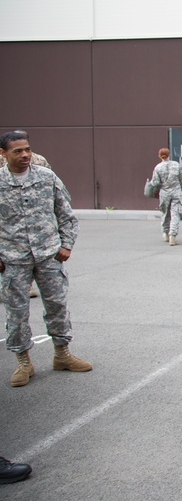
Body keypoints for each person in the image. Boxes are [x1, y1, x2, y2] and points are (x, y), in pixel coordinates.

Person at [0, 131, 92, 388]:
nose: (25, 155)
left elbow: (66, 213)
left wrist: (66, 245)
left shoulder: (46, 177)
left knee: (57, 306)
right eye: (17, 151)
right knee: (16, 313)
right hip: (13, 258)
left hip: (48, 255)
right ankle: (23, 362)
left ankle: (62, 355)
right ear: (3, 154)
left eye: (27, 149)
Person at [2, 151, 50, 299]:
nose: (24, 154)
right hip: (8, 213)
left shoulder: (39, 161)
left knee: (27, 254)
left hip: (32, 210)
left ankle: (25, 286)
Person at [151, 147, 182, 246]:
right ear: (169, 155)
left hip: (164, 193)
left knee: (165, 213)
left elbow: (155, 182)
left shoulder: (158, 167)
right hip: (176, 192)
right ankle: (172, 235)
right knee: (175, 214)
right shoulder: (176, 165)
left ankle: (165, 233)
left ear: (159, 156)